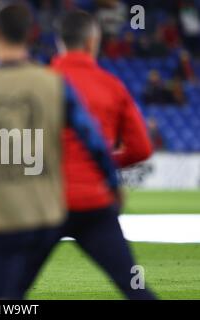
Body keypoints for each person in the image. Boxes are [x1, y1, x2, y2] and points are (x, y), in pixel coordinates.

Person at [0, 0, 120, 300]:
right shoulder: (53, 83)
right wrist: (112, 185)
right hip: (41, 212)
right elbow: (93, 140)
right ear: (31, 34)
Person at [50, 10, 156, 299]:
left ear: (59, 41)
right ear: (93, 41)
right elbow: (141, 148)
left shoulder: (39, 82)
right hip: (96, 205)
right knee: (133, 285)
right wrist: (106, 162)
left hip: (46, 203)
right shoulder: (112, 85)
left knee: (4, 289)